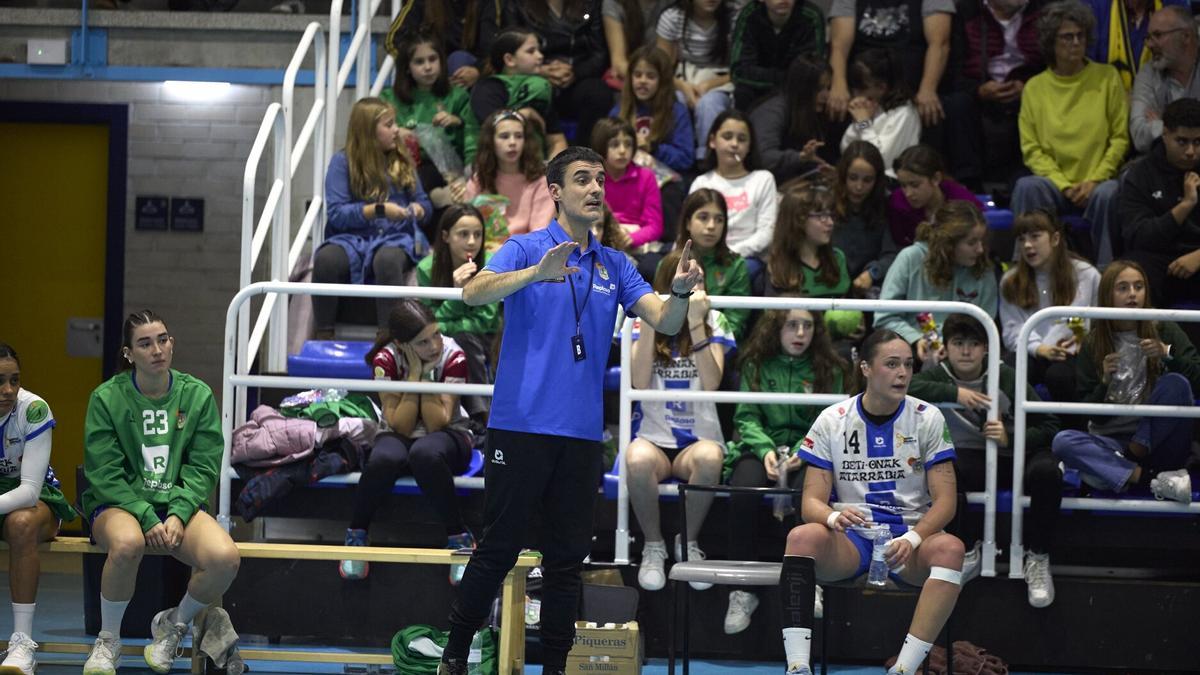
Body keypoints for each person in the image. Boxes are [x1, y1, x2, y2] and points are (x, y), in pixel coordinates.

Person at [438, 146, 705, 675]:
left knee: (566, 564)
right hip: (519, 428)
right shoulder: (524, 247)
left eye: (600, 180)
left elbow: (667, 321)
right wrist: (536, 273)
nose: (596, 189)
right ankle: (455, 653)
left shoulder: (616, 264)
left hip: (581, 438)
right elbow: (473, 293)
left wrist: (677, 294)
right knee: (498, 551)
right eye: (582, 179)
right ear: (556, 191)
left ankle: (556, 669)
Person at [780, 329, 965, 675]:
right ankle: (797, 665)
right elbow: (811, 502)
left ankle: (905, 669)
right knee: (801, 537)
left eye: (908, 365)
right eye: (891, 364)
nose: (903, 373)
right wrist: (834, 519)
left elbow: (946, 503)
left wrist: (913, 539)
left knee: (951, 549)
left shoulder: (928, 417)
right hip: (853, 541)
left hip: (908, 539)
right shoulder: (832, 420)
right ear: (865, 368)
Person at [81, 311, 240, 675]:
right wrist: (144, 513)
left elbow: (203, 466)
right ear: (128, 353)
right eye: (145, 343)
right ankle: (108, 642)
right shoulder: (107, 398)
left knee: (225, 558)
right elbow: (104, 471)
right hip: (118, 503)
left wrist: (178, 512)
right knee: (127, 544)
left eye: (163, 339)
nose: (157, 349)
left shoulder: (196, 395)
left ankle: (173, 624)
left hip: (174, 506)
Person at [908, 314, 1064, 607]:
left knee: (1048, 473)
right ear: (946, 347)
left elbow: (1050, 425)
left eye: (974, 344)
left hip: (1019, 453)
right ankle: (967, 551)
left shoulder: (1005, 375)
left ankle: (1038, 556)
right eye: (958, 343)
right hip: (975, 457)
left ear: (987, 349)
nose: (966, 351)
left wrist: (1011, 436)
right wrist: (955, 392)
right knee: (945, 469)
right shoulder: (938, 374)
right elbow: (905, 387)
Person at [722, 308, 849, 635]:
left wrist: (800, 451)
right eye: (792, 325)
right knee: (744, 490)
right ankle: (742, 592)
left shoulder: (830, 368)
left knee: (805, 496)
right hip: (760, 447)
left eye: (807, 325)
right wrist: (765, 449)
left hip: (809, 453)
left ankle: (810, 583)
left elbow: (829, 422)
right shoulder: (755, 364)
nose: (800, 333)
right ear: (776, 329)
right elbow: (746, 417)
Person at [342, 301, 477, 583]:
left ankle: (460, 539)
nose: (434, 346)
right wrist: (414, 374)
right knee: (382, 459)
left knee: (424, 453)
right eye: (423, 342)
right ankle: (356, 537)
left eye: (436, 335)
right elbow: (400, 425)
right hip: (399, 434)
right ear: (402, 345)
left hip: (451, 435)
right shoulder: (385, 360)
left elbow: (437, 421)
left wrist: (425, 375)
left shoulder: (455, 356)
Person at [1052, 261, 1200, 509]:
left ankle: (1116, 470)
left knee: (1176, 383)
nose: (1133, 293)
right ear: (1108, 294)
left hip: (1161, 441)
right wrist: (1104, 382)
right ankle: (1148, 477)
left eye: (1138, 286)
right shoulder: (1094, 342)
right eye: (1123, 288)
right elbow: (1089, 414)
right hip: (1112, 440)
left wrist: (1168, 352)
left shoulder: (1164, 327)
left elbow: (1196, 380)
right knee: (1062, 442)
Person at [629, 249, 735, 592]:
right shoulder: (639, 319)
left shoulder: (715, 319)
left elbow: (713, 381)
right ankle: (654, 545)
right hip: (654, 439)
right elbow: (640, 382)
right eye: (687, 278)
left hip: (698, 440)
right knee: (636, 459)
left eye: (698, 279)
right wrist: (652, 318)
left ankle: (687, 543)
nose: (694, 285)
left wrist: (694, 321)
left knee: (710, 457)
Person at [1012, 0, 1128, 266]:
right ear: (1051, 42)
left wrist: (1096, 179)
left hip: (1097, 184)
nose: (1076, 42)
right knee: (1027, 186)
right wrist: (1063, 185)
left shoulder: (1107, 77)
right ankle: (1025, 275)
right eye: (1067, 37)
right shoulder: (1035, 87)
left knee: (1110, 193)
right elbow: (1031, 149)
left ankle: (1105, 277)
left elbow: (1119, 138)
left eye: (1080, 36)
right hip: (1054, 185)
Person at [314, 97, 432, 339]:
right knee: (325, 259)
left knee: (387, 261)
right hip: (350, 239)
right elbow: (336, 214)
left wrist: (419, 209)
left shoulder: (402, 159)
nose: (396, 129)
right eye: (389, 125)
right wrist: (378, 210)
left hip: (396, 238)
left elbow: (425, 204)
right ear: (368, 131)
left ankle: (390, 337)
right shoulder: (341, 162)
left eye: (394, 123)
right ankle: (323, 335)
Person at [0, 344, 76, 675]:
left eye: (14, 380)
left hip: (36, 499)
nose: (8, 390)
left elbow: (29, 492)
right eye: (0, 381)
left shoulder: (33, 410)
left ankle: (21, 643)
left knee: (20, 524)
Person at [999, 210, 1100, 410]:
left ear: (1055, 238)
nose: (1027, 245)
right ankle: (1017, 431)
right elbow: (1012, 331)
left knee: (1060, 376)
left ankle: (1074, 430)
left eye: (1035, 237)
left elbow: (1098, 321)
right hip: (1033, 351)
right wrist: (1040, 348)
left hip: (1073, 353)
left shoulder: (1087, 275)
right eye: (1021, 239)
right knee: (1009, 368)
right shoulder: (1010, 281)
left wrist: (1085, 339)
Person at [875, 201, 998, 364]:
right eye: (971, 242)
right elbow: (884, 317)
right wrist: (916, 339)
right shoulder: (911, 258)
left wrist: (956, 348)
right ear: (948, 244)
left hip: (966, 356)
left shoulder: (983, 269)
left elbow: (986, 324)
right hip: (914, 351)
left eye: (981, 241)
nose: (980, 249)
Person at [416, 204, 499, 439]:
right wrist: (457, 293)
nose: (472, 242)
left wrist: (448, 318)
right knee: (457, 339)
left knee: (463, 339)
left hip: (486, 339)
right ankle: (473, 417)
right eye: (463, 234)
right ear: (445, 236)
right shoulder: (426, 269)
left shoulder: (491, 264)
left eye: (478, 234)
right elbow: (428, 326)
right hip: (439, 341)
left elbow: (486, 321)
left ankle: (480, 416)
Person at [1118, 97, 1200, 308]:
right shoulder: (1141, 174)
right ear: (1165, 135)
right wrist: (1184, 207)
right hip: (1159, 259)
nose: (1191, 151)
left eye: (1198, 142)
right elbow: (1137, 236)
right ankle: (1137, 340)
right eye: (1182, 141)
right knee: (1131, 272)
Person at [382, 29, 479, 204]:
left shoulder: (458, 96)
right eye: (419, 62)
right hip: (403, 167)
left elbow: (472, 138)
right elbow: (374, 133)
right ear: (407, 68)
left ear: (442, 62)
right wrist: (397, 132)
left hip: (450, 171)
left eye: (433, 59)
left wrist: (457, 122)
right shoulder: (389, 99)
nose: (428, 67)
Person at [955, 0, 1046, 187]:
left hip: (1031, 88)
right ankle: (969, 182)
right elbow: (953, 69)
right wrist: (978, 90)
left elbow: (1054, 65)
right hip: (977, 88)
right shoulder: (966, 11)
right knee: (956, 104)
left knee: (1044, 100)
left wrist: (1031, 86)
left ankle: (1028, 177)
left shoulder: (1044, 10)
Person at [503, 0, 615, 147]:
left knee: (599, 93)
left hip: (576, 77)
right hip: (532, 75)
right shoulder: (516, 4)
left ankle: (584, 156)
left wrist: (574, 72)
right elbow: (508, 47)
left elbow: (599, 54)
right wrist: (540, 70)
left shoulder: (590, 3)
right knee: (533, 89)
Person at [689, 109, 779, 280]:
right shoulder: (702, 182)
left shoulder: (763, 179)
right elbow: (688, 227)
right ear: (712, 141)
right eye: (727, 136)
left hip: (746, 259)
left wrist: (728, 254)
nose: (734, 144)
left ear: (750, 146)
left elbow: (766, 233)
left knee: (740, 271)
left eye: (742, 139)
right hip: (705, 256)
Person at [665, 189, 752, 338]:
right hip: (672, 346)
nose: (712, 226)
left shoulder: (736, 265)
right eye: (703, 217)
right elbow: (660, 313)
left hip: (718, 344)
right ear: (687, 223)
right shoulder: (669, 262)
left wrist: (706, 343)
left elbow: (735, 323)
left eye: (719, 220)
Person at [656, 0, 736, 160]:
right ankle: (678, 157)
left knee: (709, 104)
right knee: (676, 100)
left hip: (721, 79)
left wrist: (708, 85)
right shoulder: (673, 17)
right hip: (680, 78)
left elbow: (740, 68)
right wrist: (685, 87)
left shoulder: (733, 18)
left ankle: (707, 159)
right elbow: (661, 67)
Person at [470, 30, 570, 159]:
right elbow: (497, 126)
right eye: (531, 51)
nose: (540, 56)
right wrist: (524, 114)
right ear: (509, 59)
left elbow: (557, 140)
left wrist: (552, 171)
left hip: (533, 169)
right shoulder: (489, 88)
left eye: (539, 50)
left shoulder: (540, 88)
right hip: (488, 166)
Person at [465, 109, 556, 249]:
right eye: (504, 136)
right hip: (482, 252)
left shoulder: (540, 182)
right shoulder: (479, 179)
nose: (513, 142)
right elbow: (467, 224)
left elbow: (539, 235)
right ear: (491, 141)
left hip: (524, 255)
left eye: (519, 136)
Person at [749, 56, 842, 186]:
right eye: (820, 89)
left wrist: (863, 123)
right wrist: (800, 157)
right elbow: (763, 158)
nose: (826, 96)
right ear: (802, 88)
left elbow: (848, 141)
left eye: (828, 88)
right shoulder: (773, 112)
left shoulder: (822, 112)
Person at [610, 45, 696, 176]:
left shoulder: (677, 112)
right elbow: (605, 149)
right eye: (638, 75)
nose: (643, 81)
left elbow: (685, 158)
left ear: (662, 82)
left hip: (663, 179)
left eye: (651, 76)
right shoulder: (619, 110)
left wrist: (653, 148)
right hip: (626, 176)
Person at [838, 48, 923, 179]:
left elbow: (879, 161)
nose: (855, 95)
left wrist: (864, 123)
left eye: (861, 89)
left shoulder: (904, 114)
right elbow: (846, 150)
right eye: (853, 88)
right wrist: (860, 123)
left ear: (882, 88)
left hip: (888, 183)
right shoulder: (870, 109)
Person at [759, 184, 852, 299]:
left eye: (830, 215)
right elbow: (774, 314)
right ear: (798, 220)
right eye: (822, 216)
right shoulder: (778, 265)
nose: (830, 223)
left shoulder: (838, 258)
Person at [729, 0, 826, 110]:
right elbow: (739, 72)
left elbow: (810, 74)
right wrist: (785, 77)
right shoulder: (750, 14)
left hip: (795, 96)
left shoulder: (811, 16)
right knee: (743, 92)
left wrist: (765, 75)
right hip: (755, 91)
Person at [592, 117, 665, 261]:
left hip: (636, 243)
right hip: (600, 236)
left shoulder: (646, 176)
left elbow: (655, 225)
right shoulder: (592, 178)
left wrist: (632, 238)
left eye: (628, 144)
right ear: (601, 146)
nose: (622, 151)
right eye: (615, 145)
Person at [832, 140, 898, 298]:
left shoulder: (886, 207)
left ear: (877, 181)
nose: (859, 187)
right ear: (843, 176)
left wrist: (873, 272)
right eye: (853, 178)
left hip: (870, 289)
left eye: (867, 180)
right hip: (829, 287)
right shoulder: (825, 203)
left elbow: (892, 255)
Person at [1130, 6, 1200, 153]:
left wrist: (1163, 124)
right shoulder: (1147, 75)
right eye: (1148, 37)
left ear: (1186, 37)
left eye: (1158, 35)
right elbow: (1140, 137)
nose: (1149, 44)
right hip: (1162, 167)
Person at [887, 144, 984, 247]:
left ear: (936, 178)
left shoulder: (964, 203)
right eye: (903, 185)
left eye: (915, 185)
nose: (908, 193)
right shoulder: (897, 203)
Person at [1083, 0, 1190, 90]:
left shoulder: (1175, 6)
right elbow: (1085, 73)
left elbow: (1183, 68)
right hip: (1107, 102)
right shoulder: (1093, 7)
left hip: (1160, 102)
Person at [383, 0, 489, 89]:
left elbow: (493, 49)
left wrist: (478, 71)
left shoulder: (485, 3)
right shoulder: (421, 2)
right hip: (427, 69)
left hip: (466, 71)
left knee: (459, 59)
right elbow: (392, 40)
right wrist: (416, 63)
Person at [602, 0, 674, 82]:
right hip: (630, 76)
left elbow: (666, 62)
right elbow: (618, 62)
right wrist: (644, 79)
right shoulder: (614, 3)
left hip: (663, 76)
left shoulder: (672, 3)